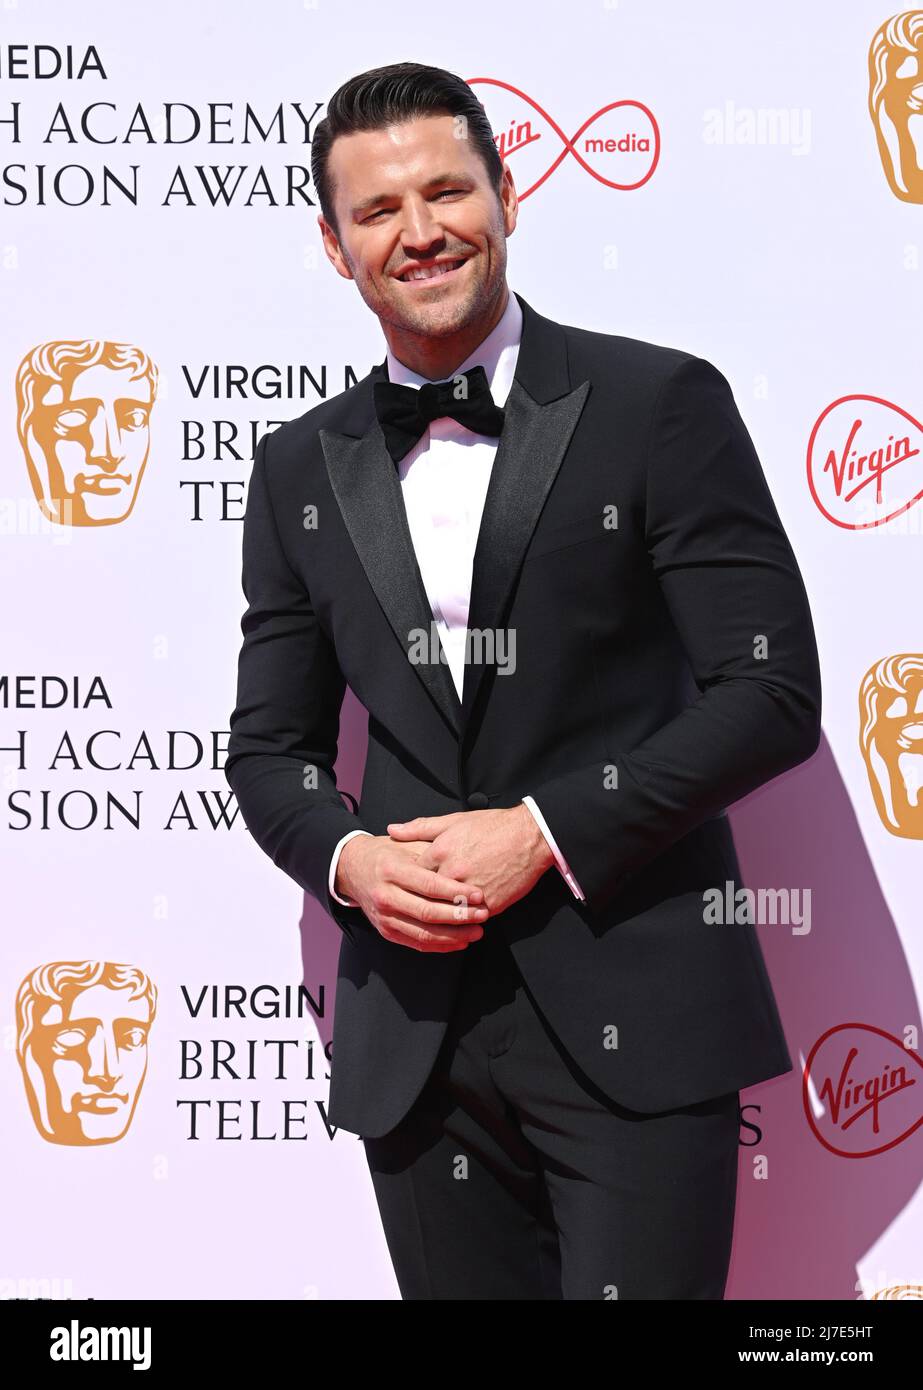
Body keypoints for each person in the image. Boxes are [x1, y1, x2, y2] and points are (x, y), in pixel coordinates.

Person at [224, 61, 822, 1300]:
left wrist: (543, 832)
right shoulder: (295, 468)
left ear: (507, 195)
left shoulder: (656, 401)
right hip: (414, 1039)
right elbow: (268, 747)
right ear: (334, 248)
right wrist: (349, 861)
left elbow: (768, 693)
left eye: (449, 191)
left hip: (635, 1008)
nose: (420, 230)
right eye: (377, 210)